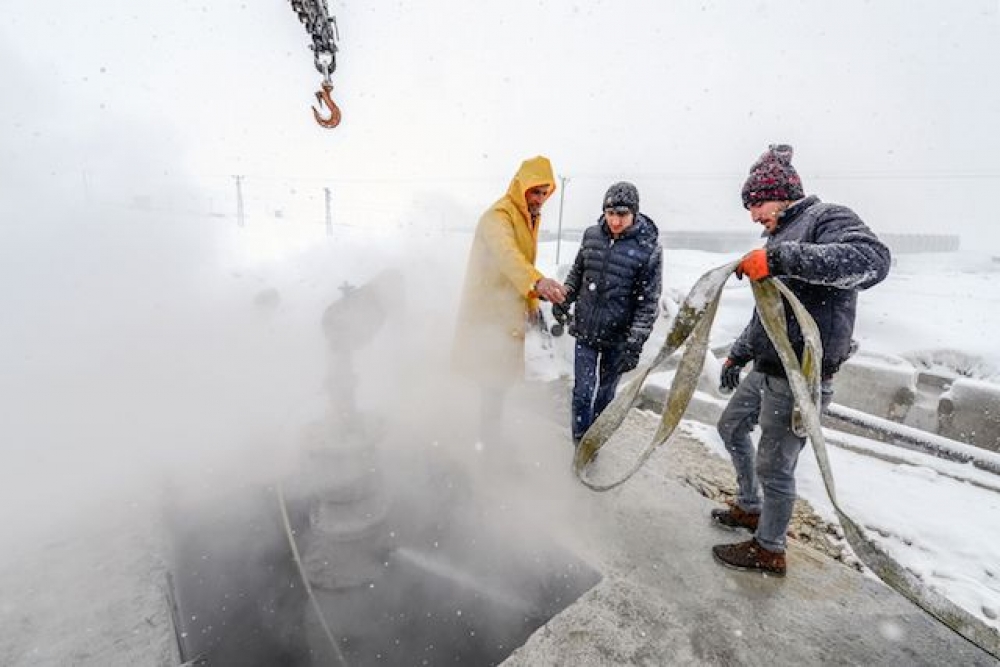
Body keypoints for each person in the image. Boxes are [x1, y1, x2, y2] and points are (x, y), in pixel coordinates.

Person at [711, 144, 891, 576]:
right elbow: (768, 313)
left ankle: (769, 549)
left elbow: (873, 261)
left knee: (775, 466)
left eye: (756, 205)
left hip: (800, 376)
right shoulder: (778, 235)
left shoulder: (826, 218)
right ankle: (750, 507)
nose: (753, 216)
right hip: (767, 366)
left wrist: (778, 259)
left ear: (781, 194)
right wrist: (738, 354)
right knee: (731, 426)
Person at [452, 156, 567, 440]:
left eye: (544, 193)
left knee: (498, 382)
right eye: (534, 192)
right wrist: (537, 282)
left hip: (507, 312)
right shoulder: (499, 216)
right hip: (488, 313)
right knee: (491, 380)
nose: (539, 199)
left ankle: (488, 439)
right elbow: (508, 256)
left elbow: (523, 261)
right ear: (520, 187)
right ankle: (486, 445)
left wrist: (531, 303)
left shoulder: (528, 217)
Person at [554, 182, 662, 446]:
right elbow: (578, 273)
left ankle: (594, 443)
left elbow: (648, 301)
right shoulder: (592, 235)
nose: (615, 221)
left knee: (604, 396)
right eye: (610, 213)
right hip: (586, 329)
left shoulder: (648, 248)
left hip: (618, 338)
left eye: (622, 214)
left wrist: (635, 343)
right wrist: (565, 298)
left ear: (634, 213)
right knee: (582, 393)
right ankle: (580, 444)